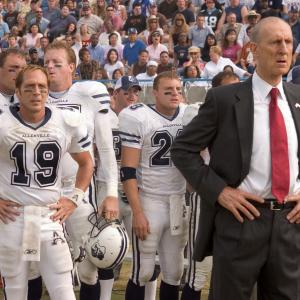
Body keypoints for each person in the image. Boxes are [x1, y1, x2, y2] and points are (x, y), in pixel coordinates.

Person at [171, 17, 300, 300]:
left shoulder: (297, 97)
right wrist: (220, 192)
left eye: (288, 42)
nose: (283, 49)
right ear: (253, 49)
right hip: (241, 221)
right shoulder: (224, 99)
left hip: (290, 226)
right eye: (275, 42)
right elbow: (182, 149)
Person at [0, 64, 94, 300]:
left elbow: (86, 163)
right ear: (18, 92)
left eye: (42, 86)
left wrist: (73, 199)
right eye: (29, 87)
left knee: (64, 292)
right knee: (15, 292)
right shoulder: (2, 123)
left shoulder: (65, 121)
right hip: (11, 217)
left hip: (48, 216)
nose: (37, 92)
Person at [44, 41, 119, 300]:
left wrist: (111, 193)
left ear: (72, 67)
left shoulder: (88, 93)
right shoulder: (32, 93)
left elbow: (107, 150)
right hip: (41, 193)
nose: (50, 67)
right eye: (46, 63)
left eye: (57, 63)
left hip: (79, 193)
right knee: (50, 270)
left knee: (89, 270)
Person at [119, 71, 188, 300]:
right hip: (150, 200)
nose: (175, 94)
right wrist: (137, 212)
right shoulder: (139, 117)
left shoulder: (189, 115)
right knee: (143, 271)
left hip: (178, 201)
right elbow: (127, 170)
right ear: (155, 92)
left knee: (175, 272)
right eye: (168, 91)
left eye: (178, 89)